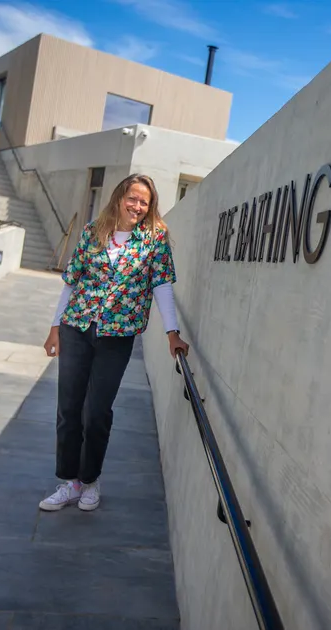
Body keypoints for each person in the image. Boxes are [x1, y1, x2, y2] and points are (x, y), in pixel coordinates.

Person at [39, 173, 189, 512]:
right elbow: (71, 281)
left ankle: (90, 479)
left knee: (97, 412)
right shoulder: (94, 231)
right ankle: (70, 482)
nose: (137, 206)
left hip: (116, 336)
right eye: (132, 198)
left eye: (144, 202)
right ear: (120, 197)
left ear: (150, 207)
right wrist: (54, 327)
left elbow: (162, 285)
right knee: (69, 408)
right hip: (76, 327)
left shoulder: (154, 239)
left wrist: (172, 332)